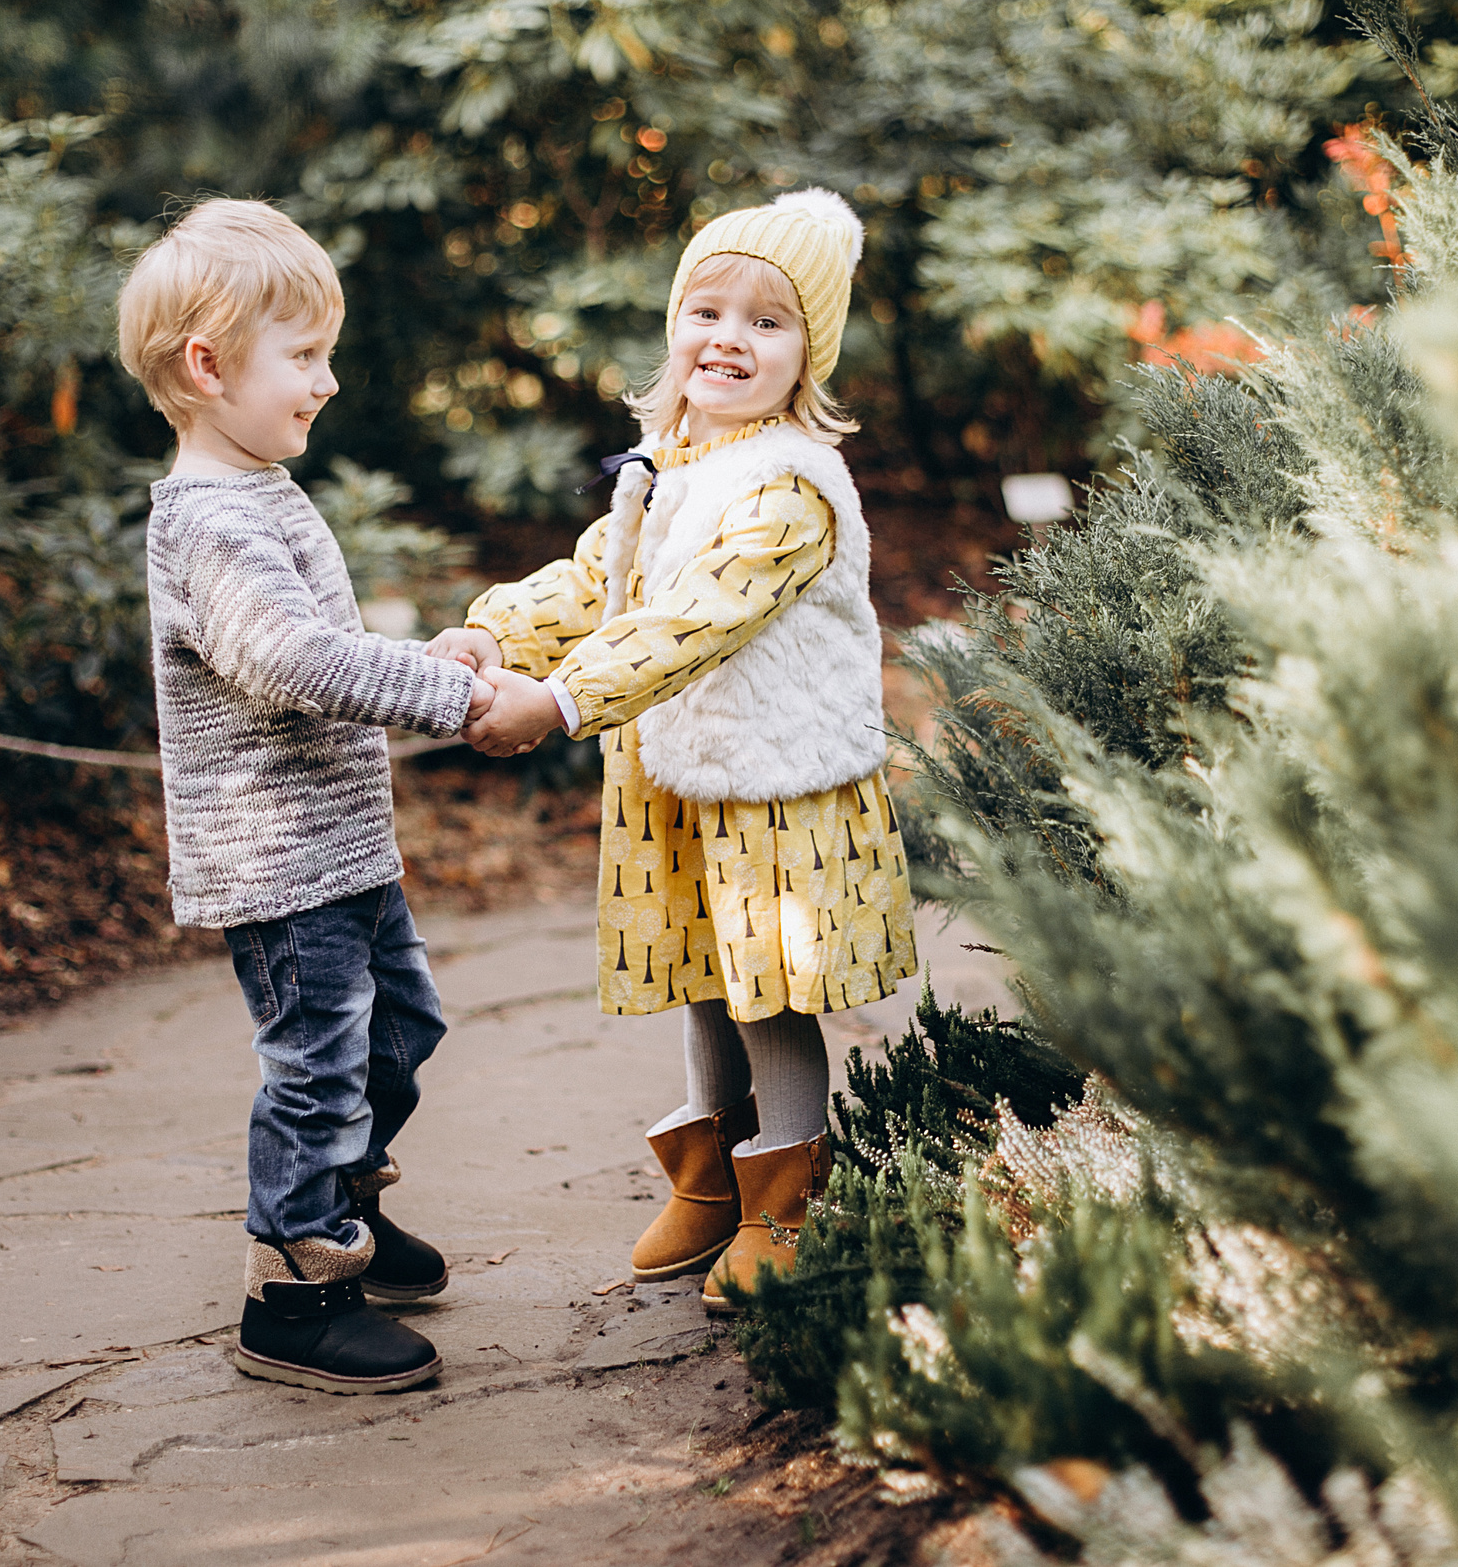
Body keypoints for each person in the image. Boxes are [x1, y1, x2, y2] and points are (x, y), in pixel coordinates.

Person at [427, 189, 918, 1312]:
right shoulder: (675, 460)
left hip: (776, 781)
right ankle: (710, 1181)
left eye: (767, 322)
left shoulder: (791, 487)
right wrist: (495, 629)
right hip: (678, 767)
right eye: (707, 310)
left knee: (767, 987)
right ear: (673, 324)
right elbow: (602, 577)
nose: (728, 340)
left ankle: (784, 1196)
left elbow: (691, 620)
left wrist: (555, 703)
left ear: (810, 353)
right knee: (703, 967)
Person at [120, 198, 490, 1393]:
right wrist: (444, 694)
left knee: (400, 1031)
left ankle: (343, 1211)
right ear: (208, 364)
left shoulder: (260, 491)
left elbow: (322, 638)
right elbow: (289, 661)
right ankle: (293, 1290)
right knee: (318, 1069)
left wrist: (432, 654)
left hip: (341, 850)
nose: (327, 381)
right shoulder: (212, 521)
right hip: (280, 869)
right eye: (305, 355)